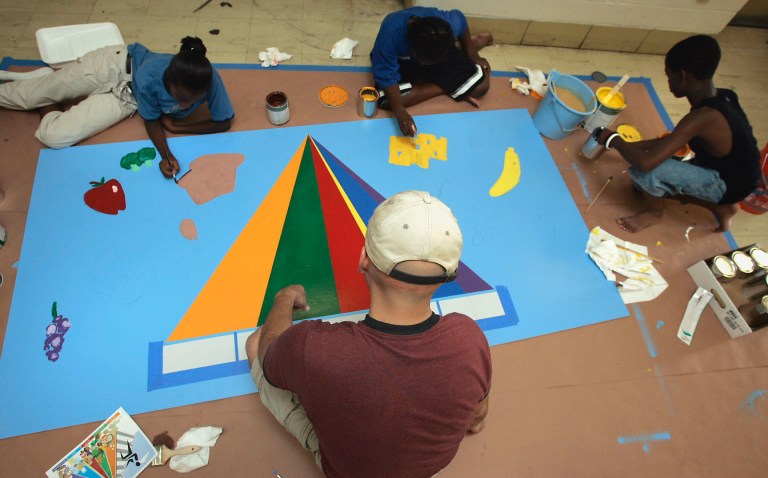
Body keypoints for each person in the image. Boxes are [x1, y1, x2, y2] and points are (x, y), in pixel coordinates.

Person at [246, 190, 492, 478]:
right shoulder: (469, 338)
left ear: (364, 258)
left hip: (344, 471)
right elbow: (478, 414)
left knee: (255, 342)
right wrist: (473, 421)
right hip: (426, 468)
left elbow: (269, 355)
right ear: (447, 276)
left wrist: (285, 297)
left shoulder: (314, 348)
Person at [0, 36, 234, 178]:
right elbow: (152, 119)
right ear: (169, 82)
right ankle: (44, 88)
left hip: (127, 98)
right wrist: (167, 154)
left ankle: (48, 93)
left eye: (194, 100)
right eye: (181, 97)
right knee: (25, 96)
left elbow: (224, 121)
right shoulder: (151, 76)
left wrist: (177, 129)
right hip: (112, 67)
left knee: (53, 136)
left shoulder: (208, 79)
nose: (185, 105)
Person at [596, 34, 761, 233]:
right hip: (737, 172)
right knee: (640, 187)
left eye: (669, 75)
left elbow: (646, 163)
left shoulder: (704, 117)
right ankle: (722, 207)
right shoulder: (725, 95)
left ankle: (656, 213)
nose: (668, 82)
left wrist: (614, 140)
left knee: (646, 174)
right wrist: (621, 143)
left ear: (682, 76)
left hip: (729, 183)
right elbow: (668, 142)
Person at [370, 7, 493, 137]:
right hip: (403, 60)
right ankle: (449, 84)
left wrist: (473, 55)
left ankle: (465, 50)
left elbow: (460, 19)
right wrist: (401, 113)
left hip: (437, 53)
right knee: (383, 99)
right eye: (423, 60)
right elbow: (386, 77)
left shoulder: (446, 26)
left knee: (481, 86)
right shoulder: (390, 34)